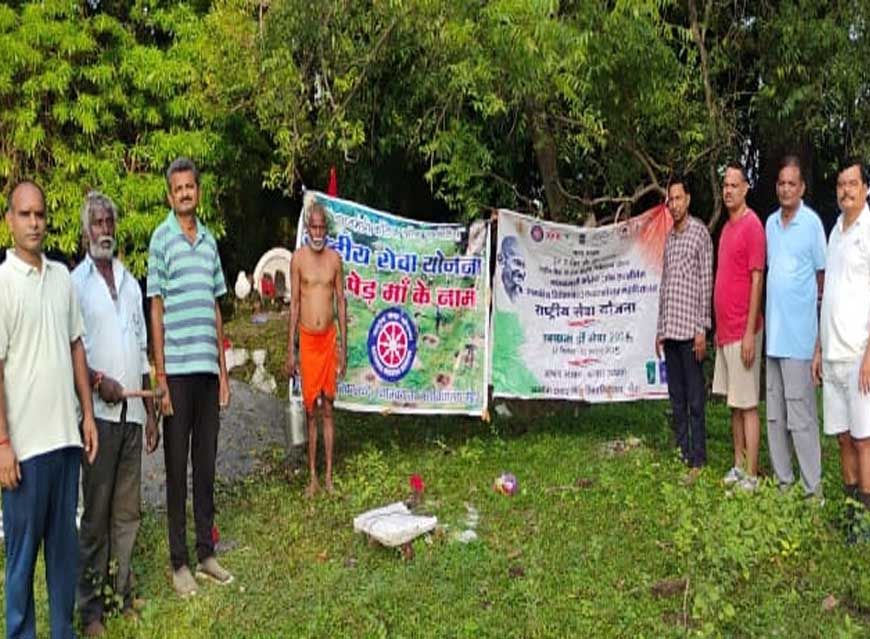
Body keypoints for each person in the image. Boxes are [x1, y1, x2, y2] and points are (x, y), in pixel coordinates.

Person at [0, 180, 98, 638]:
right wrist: (2, 443)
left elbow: (77, 347)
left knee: (63, 559)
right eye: (25, 214)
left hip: (64, 442)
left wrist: (89, 415)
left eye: (39, 214)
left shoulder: (61, 277)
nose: (35, 222)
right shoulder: (2, 284)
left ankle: (64, 633)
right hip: (23, 450)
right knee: (21, 562)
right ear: (9, 222)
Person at [72, 192, 160, 635]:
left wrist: (151, 411)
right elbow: (69, 352)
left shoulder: (129, 281)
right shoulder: (76, 284)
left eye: (109, 222)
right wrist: (95, 380)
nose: (104, 229)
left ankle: (122, 590)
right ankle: (90, 608)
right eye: (97, 223)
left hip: (132, 417)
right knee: (96, 516)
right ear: (86, 231)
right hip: (98, 418)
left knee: (128, 513)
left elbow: (142, 351)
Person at [147, 158, 233, 597]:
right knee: (176, 468)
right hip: (176, 374)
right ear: (169, 195)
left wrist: (223, 371)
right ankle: (178, 562)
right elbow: (156, 308)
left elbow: (216, 307)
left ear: (198, 192)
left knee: (205, 465)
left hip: (206, 371)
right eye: (177, 188)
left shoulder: (211, 242)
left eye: (190, 187)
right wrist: (160, 375)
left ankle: (206, 554)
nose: (184, 193)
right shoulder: (160, 240)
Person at [814, 159, 870, 536]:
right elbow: (828, 293)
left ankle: (865, 519)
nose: (845, 190)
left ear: (866, 187)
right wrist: (819, 348)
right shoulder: (835, 231)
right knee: (842, 437)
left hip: (859, 354)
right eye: (840, 184)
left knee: (865, 439)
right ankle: (851, 512)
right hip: (832, 352)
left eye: (852, 183)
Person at [765, 157, 826, 498]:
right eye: (781, 183)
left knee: (800, 417)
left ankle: (812, 489)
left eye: (792, 183)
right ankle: (784, 483)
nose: (786, 188)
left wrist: (818, 340)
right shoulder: (770, 224)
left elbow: (822, 279)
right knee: (775, 416)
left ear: (802, 188)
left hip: (800, 340)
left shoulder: (812, 224)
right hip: (773, 338)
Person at [284, 202, 347, 498]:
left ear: (327, 229)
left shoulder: (335, 260)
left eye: (322, 227)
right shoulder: (298, 260)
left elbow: (341, 303)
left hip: (329, 338)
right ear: (307, 227)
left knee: (328, 409)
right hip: (308, 341)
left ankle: (330, 476)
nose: (318, 232)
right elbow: (295, 304)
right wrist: (290, 350)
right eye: (314, 226)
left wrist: (344, 348)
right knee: (311, 410)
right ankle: (312, 478)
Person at [713, 162, 766, 491]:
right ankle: (737, 464)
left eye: (734, 185)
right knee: (735, 403)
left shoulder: (752, 226)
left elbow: (756, 280)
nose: (728, 190)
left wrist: (749, 333)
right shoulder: (726, 228)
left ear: (746, 188)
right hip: (725, 330)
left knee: (748, 405)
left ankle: (752, 472)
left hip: (743, 330)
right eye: (725, 185)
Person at [655, 177, 713, 477]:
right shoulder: (670, 239)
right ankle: (682, 452)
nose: (675, 204)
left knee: (694, 400)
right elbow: (665, 286)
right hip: (671, 332)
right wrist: (659, 330)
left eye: (679, 198)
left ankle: (698, 459)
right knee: (676, 400)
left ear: (688, 200)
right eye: (671, 200)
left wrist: (702, 328)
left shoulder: (699, 233)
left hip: (691, 333)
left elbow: (706, 283)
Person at [497, 236, 526, 303]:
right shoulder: (496, 289)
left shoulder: (521, 295)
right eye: (517, 263)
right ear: (502, 259)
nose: (522, 271)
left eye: (523, 265)